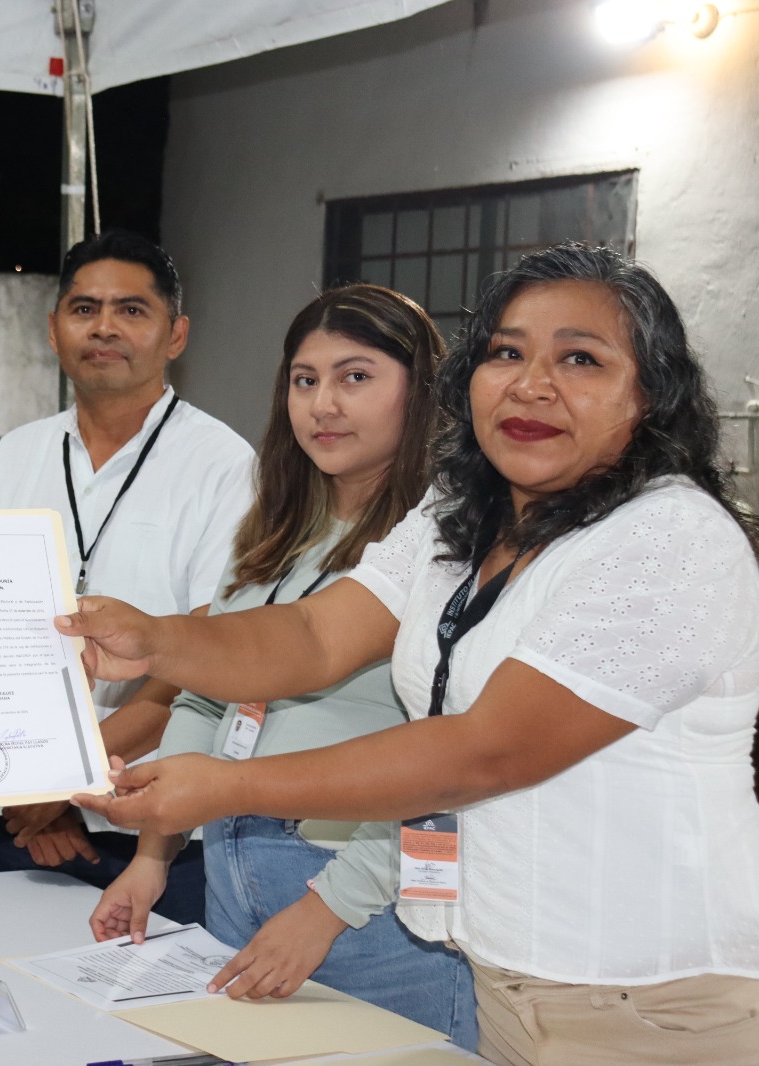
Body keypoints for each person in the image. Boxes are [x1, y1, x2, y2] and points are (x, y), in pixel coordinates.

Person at [65, 243, 759, 1065]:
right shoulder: (460, 516)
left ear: (651, 393)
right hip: (499, 973)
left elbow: (484, 750)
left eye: (580, 358)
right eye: (506, 352)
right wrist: (157, 639)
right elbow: (316, 635)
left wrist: (228, 788)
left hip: (647, 1001)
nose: (531, 383)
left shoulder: (666, 537)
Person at [88, 284, 476, 1048]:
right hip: (234, 867)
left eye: (355, 376)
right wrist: (153, 858)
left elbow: (456, 768)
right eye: (305, 380)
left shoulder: (453, 547)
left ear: (422, 391)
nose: (324, 404)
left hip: (372, 902)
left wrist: (328, 908)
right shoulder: (273, 530)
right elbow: (204, 699)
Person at [0, 230, 255, 925]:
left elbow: (203, 656)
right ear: (53, 329)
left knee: (155, 1029)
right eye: (84, 308)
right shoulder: (15, 456)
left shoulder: (224, 464)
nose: (104, 327)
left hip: (154, 831)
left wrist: (69, 780)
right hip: (20, 816)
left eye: (132, 310)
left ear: (176, 333)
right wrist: (39, 791)